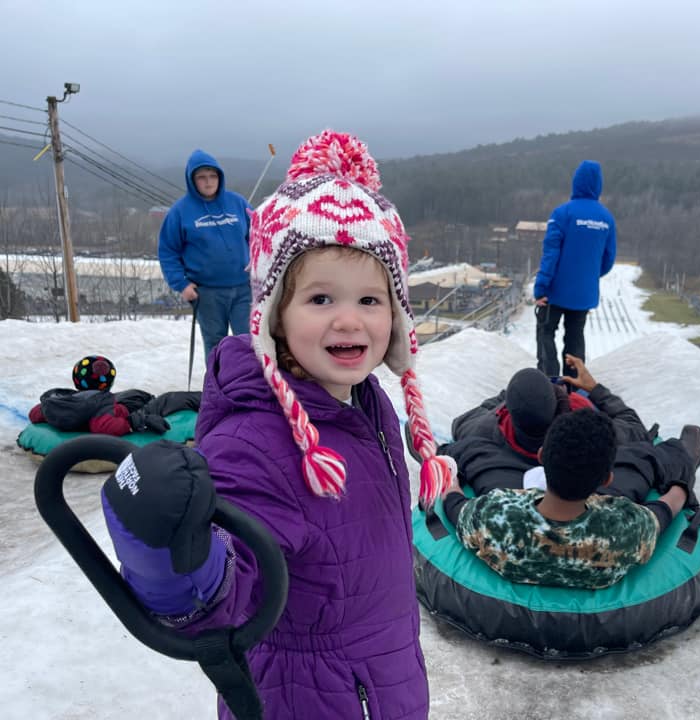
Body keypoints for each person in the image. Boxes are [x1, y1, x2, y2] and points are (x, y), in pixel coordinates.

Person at [100, 131, 454, 719]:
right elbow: (217, 604)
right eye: (320, 299)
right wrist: (166, 552)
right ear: (271, 316)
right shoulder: (256, 442)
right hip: (304, 699)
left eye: (371, 300)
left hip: (382, 676)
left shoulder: (366, 402)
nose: (350, 319)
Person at [442, 408, 699, 590]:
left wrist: (447, 475)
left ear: (541, 457)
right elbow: (665, 509)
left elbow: (454, 504)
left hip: (516, 508)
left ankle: (440, 452)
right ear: (607, 480)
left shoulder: (495, 515)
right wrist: (682, 487)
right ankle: (681, 454)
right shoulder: (627, 528)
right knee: (641, 459)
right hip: (605, 518)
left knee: (478, 453)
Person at [437, 354, 680, 501]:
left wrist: (511, 397)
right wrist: (595, 389)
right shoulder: (589, 431)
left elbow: (461, 424)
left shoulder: (488, 429)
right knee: (655, 456)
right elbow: (634, 428)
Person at [158, 149, 253, 360]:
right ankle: (217, 389)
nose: (208, 182)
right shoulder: (180, 212)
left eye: (213, 176)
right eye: (201, 177)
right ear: (192, 180)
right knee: (215, 345)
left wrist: (260, 265)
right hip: (207, 292)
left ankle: (251, 388)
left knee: (250, 342)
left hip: (243, 288)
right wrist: (181, 284)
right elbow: (168, 251)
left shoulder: (237, 203)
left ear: (220, 177)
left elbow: (258, 236)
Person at [533, 160, 616, 378]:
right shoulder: (607, 218)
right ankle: (574, 383)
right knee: (575, 336)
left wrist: (541, 287)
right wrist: (586, 276)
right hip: (583, 294)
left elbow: (550, 255)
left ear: (576, 183)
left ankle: (549, 382)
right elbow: (608, 260)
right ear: (598, 185)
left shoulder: (562, 214)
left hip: (554, 292)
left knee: (546, 332)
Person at [27, 355, 181, 435]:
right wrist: (134, 422)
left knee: (128, 399)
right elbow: (103, 426)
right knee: (154, 398)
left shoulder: (59, 402)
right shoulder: (100, 402)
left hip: (110, 406)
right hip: (123, 408)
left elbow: (34, 413)